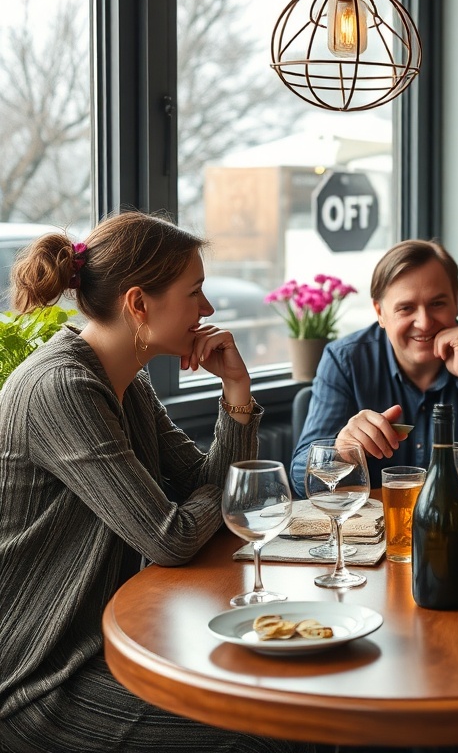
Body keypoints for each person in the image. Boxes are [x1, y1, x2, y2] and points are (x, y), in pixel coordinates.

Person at [0, 212, 320, 753]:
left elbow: (205, 484)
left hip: (115, 642)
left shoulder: (125, 379)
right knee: (276, 738)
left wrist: (237, 391)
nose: (210, 310)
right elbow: (169, 538)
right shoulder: (61, 389)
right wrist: (216, 501)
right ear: (139, 305)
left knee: (305, 708)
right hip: (40, 680)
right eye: (195, 292)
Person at [291, 239, 458, 493]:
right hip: (377, 530)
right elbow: (301, 480)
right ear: (379, 311)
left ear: (456, 301)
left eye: (437, 303)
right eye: (406, 308)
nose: (424, 323)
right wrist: (342, 451)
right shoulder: (344, 361)